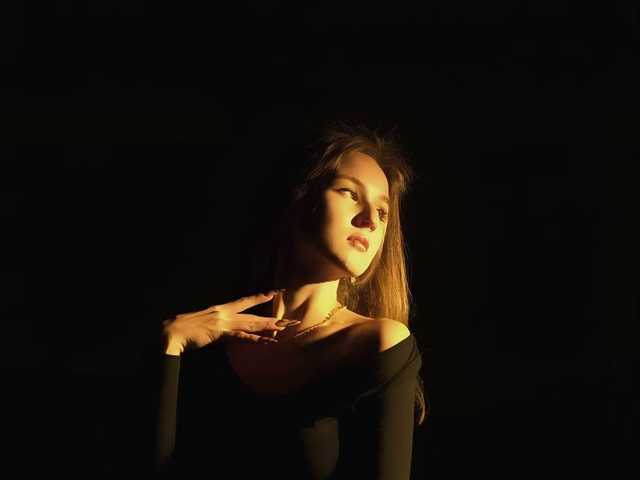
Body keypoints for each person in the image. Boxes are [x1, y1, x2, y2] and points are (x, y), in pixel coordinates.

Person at [152, 122, 428, 478]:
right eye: (350, 193)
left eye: (382, 212)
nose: (370, 221)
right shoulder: (210, 338)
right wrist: (170, 344)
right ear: (298, 198)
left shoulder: (378, 345)